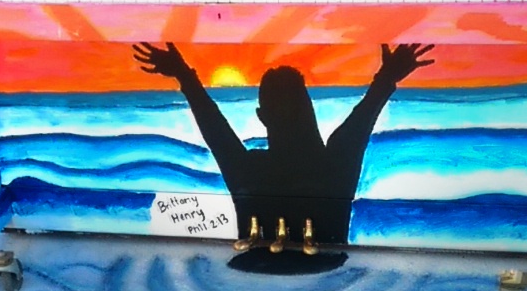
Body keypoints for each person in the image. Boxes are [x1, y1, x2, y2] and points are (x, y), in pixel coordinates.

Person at [132, 40, 434, 246]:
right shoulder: (336, 159)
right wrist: (387, 77)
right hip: (327, 281)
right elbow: (366, 112)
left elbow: (215, 130)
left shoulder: (247, 168)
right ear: (309, 108)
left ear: (262, 116)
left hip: (253, 283)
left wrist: (185, 76)